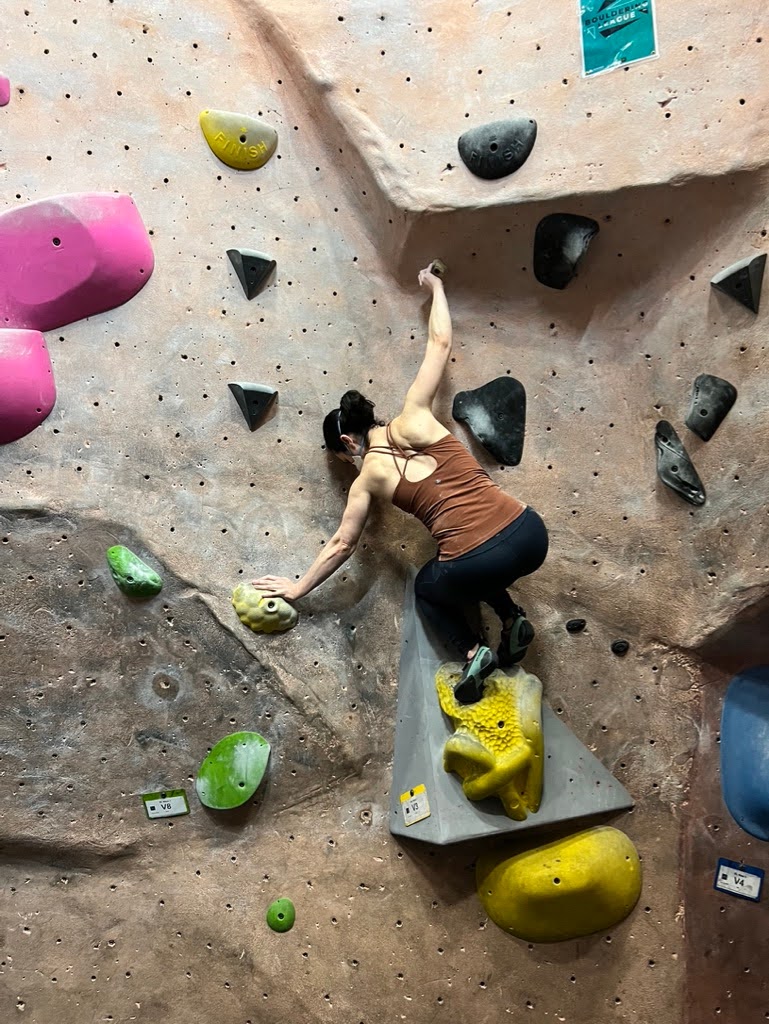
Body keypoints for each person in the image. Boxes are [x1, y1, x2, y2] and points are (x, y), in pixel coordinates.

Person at [253, 263, 549, 704]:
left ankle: (472, 652)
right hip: (530, 534)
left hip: (476, 561)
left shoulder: (368, 478)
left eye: (342, 457)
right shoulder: (415, 412)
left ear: (347, 443)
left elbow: (342, 545)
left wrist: (297, 589)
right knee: (474, 554)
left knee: (432, 584)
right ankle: (510, 617)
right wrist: (436, 287)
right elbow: (440, 341)